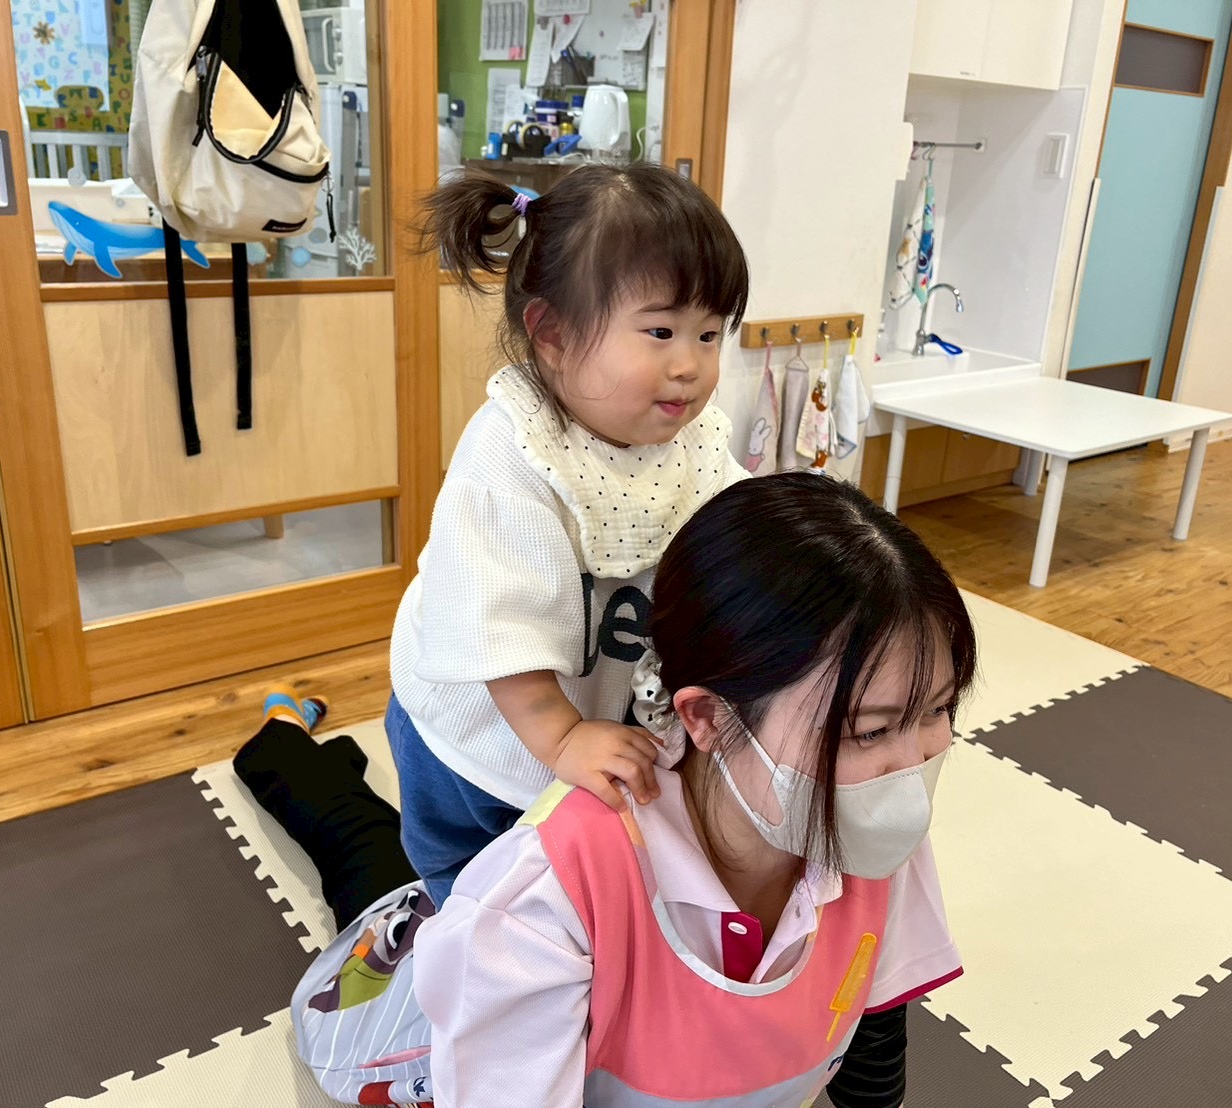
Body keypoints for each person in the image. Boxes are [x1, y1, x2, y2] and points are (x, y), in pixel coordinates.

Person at [236, 472, 977, 1107]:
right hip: (423, 1042)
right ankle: (281, 742)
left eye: (937, 710)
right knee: (364, 857)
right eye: (869, 731)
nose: (910, 761)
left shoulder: (866, 821)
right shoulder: (540, 902)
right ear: (708, 718)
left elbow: (872, 1017)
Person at [389, 162, 752, 904]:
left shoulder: (694, 437)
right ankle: (452, 922)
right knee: (476, 875)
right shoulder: (511, 455)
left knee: (576, 879)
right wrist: (559, 737)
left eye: (710, 334)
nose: (690, 365)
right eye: (660, 331)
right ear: (552, 334)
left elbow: (738, 527)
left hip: (599, 697)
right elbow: (497, 629)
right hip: (481, 734)